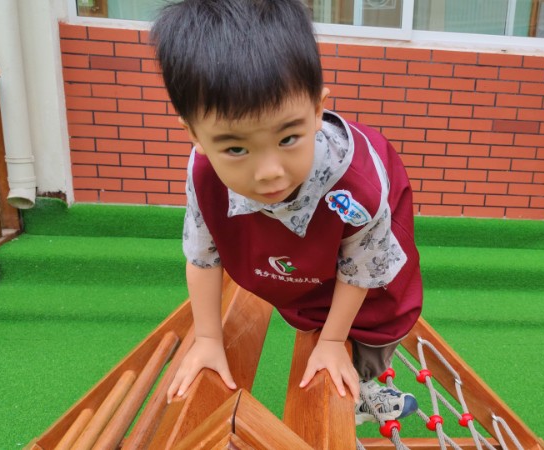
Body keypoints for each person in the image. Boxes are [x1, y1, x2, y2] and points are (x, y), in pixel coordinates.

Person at [151, 0, 423, 425]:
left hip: (366, 274)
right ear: (194, 135)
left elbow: (362, 270)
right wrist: (207, 337)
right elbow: (203, 255)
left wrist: (331, 342)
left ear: (316, 110)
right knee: (302, 298)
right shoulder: (204, 171)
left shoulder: (355, 186)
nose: (269, 172)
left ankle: (366, 386)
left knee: (373, 330)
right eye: (236, 148)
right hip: (296, 268)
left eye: (288, 138)